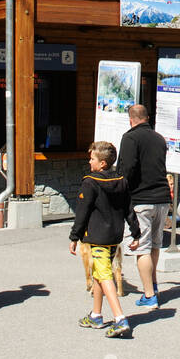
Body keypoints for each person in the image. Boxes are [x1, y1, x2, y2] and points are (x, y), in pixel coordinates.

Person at [71, 141, 140, 338]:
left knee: (105, 275)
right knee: (98, 274)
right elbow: (129, 208)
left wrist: (74, 237)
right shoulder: (121, 180)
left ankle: (120, 319)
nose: (89, 161)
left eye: (92, 158)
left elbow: (82, 212)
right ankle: (96, 315)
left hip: (98, 238)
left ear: (102, 164)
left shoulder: (90, 182)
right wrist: (136, 232)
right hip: (114, 237)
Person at [117, 103, 170, 310]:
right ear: (147, 118)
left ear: (131, 120)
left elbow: (127, 168)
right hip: (162, 198)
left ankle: (149, 295)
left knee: (142, 248)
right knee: (155, 246)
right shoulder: (159, 138)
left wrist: (120, 189)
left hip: (141, 199)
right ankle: (153, 285)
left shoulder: (130, 137)